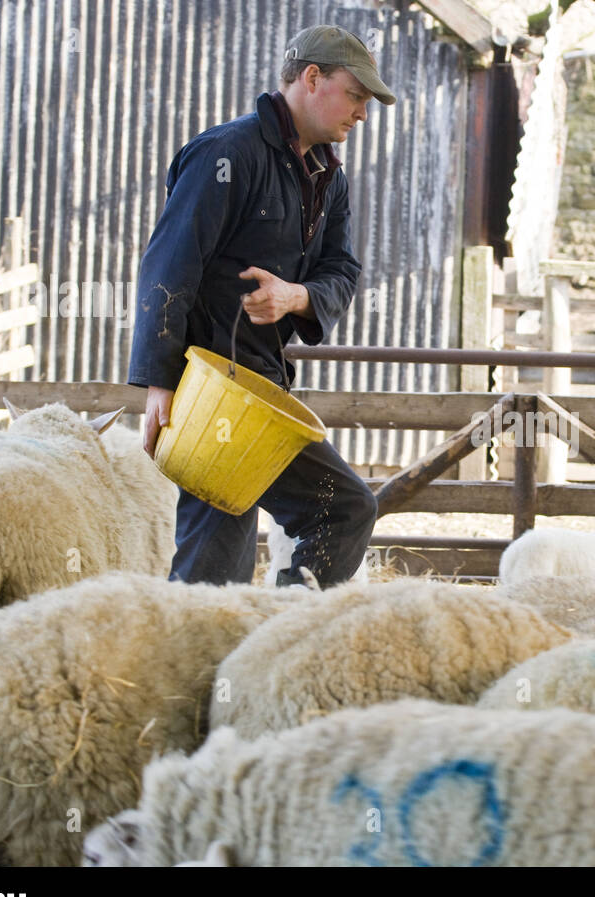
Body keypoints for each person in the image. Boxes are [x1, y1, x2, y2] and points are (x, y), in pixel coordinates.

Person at [128, 24, 393, 587]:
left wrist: (296, 296)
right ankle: (200, 663)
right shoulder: (226, 154)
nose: (362, 114)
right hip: (210, 390)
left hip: (265, 392)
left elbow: (342, 271)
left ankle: (280, 633)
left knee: (342, 508)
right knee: (220, 553)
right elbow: (168, 267)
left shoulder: (327, 175)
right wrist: (159, 383)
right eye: (356, 95)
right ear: (312, 78)